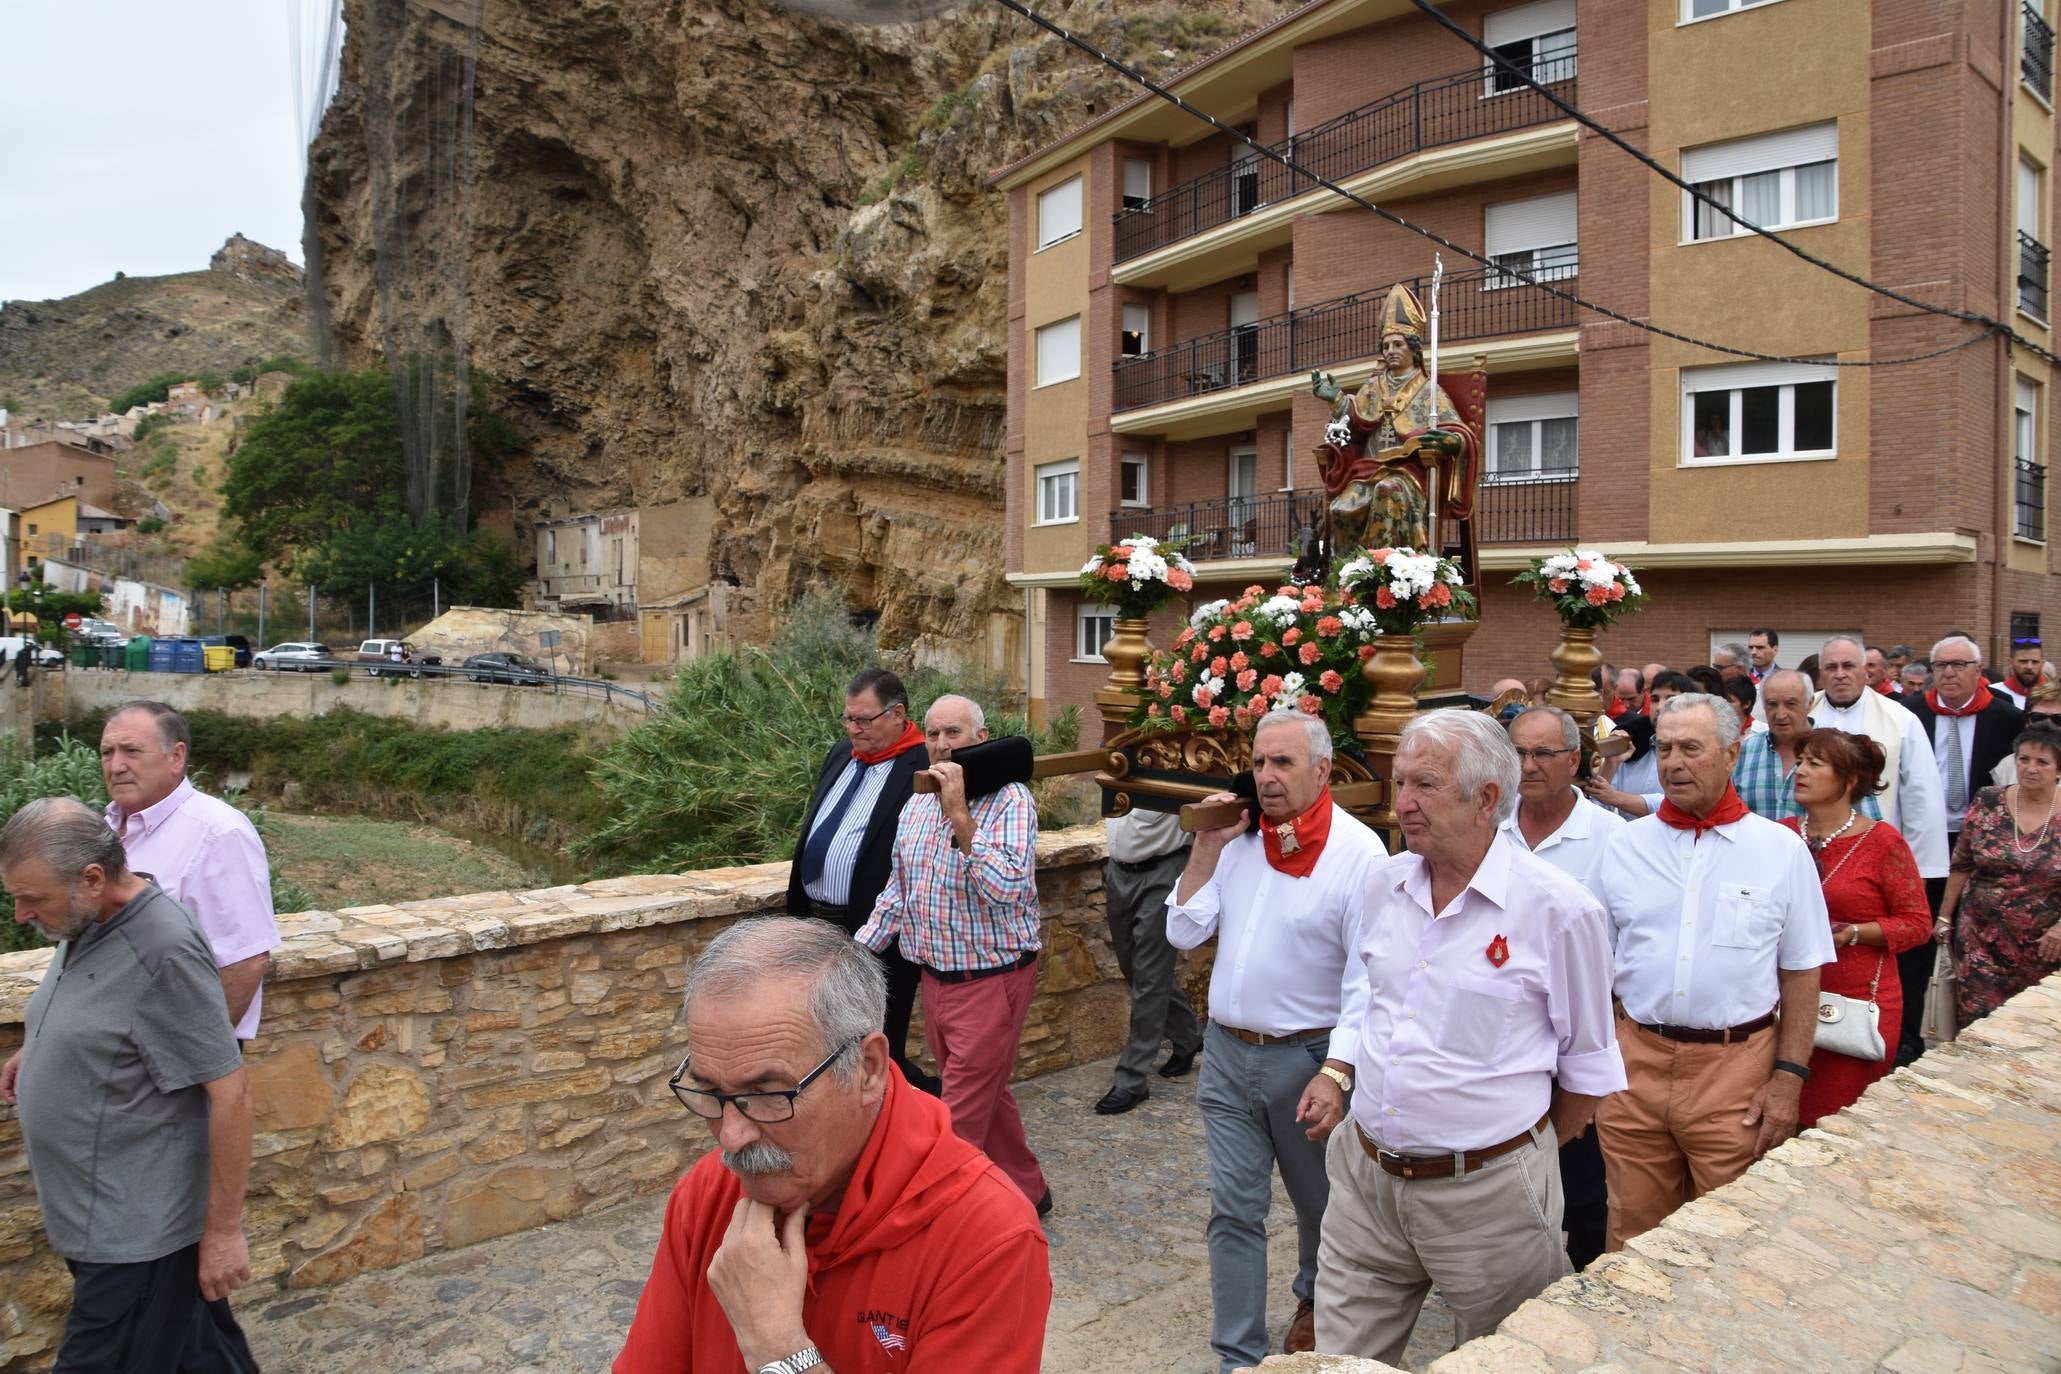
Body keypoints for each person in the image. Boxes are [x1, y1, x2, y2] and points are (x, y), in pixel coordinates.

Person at [1315, 710, 1621, 1363]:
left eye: (1424, 785)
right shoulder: (1383, 882)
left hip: (1488, 1198)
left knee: (1504, 1358)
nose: (1402, 802)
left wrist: (1512, 1154)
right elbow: (1373, 1002)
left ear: (1485, 799)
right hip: (1366, 1180)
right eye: (1400, 782)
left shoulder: (1560, 911)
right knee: (1340, 1361)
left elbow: (1588, 1070)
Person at [616, 917, 1051, 1374]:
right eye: (711, 1092)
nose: (731, 1137)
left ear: (868, 1068)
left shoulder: (986, 1241)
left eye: (769, 1094)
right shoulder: (707, 1193)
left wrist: (779, 1350)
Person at [0, 798, 258, 1372]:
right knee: (199, 1353)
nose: (20, 914)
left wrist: (223, 1233)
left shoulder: (163, 949)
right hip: (98, 1215)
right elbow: (103, 1008)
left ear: (93, 878)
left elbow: (232, 1093)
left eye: (32, 898)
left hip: (138, 1235)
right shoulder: (87, 918)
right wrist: (38, 1045)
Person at [1168, 711, 1389, 1372]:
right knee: (1233, 1211)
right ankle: (1237, 1355)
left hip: (1307, 1058)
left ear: (1322, 770)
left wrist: (1338, 1072)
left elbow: (1368, 982)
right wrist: (1206, 848)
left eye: (1283, 763)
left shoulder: (1359, 854)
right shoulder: (1237, 840)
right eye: (1259, 762)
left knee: (1322, 1207)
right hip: (1226, 1054)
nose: (1266, 776)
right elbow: (1184, 931)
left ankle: (1314, 1302)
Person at [1592, 694, 1836, 1249]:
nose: (1674, 763)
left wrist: (1788, 1079)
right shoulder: (1624, 845)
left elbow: (1802, 973)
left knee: (1730, 1243)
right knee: (1631, 1239)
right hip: (1635, 1065)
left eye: (1691, 748)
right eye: (1664, 749)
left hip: (1736, 1074)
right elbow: (1595, 964)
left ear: (1731, 755)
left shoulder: (1780, 851)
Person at [854, 694, 1048, 1211]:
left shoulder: (1010, 800)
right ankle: (1028, 1190)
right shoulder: (918, 801)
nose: (941, 745)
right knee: (988, 1092)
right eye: (934, 734)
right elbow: (899, 892)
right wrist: (852, 957)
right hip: (935, 979)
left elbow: (1007, 889)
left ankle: (932, 1219)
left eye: (954, 733)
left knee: (956, 1117)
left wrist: (960, 813)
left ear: (981, 738)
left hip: (990, 979)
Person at [1498, 705, 1628, 1269]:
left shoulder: (1612, 837)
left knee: (1580, 1185)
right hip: (1503, 1037)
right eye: (1517, 753)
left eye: (1542, 754)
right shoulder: (1489, 828)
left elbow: (1625, 943)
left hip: (1575, 1037)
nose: (1527, 765)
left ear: (1575, 760)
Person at [786, 667, 938, 1094]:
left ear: (898, 714)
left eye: (864, 720)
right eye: (849, 719)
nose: (853, 729)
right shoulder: (842, 754)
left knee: (877, 1037)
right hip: (816, 924)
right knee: (821, 1032)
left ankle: (894, 1111)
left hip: (878, 930)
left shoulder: (923, 766)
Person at [101, 702, 279, 1040]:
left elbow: (245, 960)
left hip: (172, 1051)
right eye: (107, 752)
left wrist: (193, 1055)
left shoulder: (219, 833)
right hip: (107, 1042)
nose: (116, 765)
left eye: (131, 751)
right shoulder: (103, 829)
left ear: (176, 757)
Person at [1780, 729, 1931, 1125]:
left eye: (1815, 764)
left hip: (1854, 1010)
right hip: (1782, 1004)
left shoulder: (1882, 843)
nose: (1800, 770)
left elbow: (1917, 924)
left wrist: (1854, 933)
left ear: (1848, 781)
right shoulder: (1780, 834)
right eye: (1801, 761)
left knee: (1835, 1124)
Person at [1901, 635, 2024, 1054]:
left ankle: (1975, 1032)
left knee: (1973, 937)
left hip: (1980, 843)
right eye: (1941, 666)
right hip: (1925, 838)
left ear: (1978, 671)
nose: (1949, 673)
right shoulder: (1911, 713)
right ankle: (1912, 1035)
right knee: (1920, 934)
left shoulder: (2006, 718)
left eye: (1958, 665)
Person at [1939, 726, 2061, 1027]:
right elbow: (1962, 863)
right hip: (1979, 936)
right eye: (2024, 759)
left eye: (2042, 762)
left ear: (2059, 770)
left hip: (2043, 945)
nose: (2030, 768)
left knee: (2032, 1025)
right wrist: (1944, 916)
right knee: (1976, 1024)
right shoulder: (1988, 800)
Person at [1810, 636, 1949, 885]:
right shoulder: (1803, 712)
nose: (1840, 674)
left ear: (1865, 670)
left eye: (1848, 665)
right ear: (1821, 673)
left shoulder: (1901, 719)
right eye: (1831, 667)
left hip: (1875, 851)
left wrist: (1920, 868)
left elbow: (1921, 796)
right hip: (1810, 849)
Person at [1094, 807, 1203, 1114]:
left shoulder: (1171, 774)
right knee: (1134, 969)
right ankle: (1188, 1035)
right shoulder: (1117, 773)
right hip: (1119, 871)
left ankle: (1131, 1079)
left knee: (1150, 976)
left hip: (1163, 870)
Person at [1730, 670, 1877, 824]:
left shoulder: (1839, 751)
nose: (1780, 714)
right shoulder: (1745, 751)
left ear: (1810, 703)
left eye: (1790, 704)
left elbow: (1869, 825)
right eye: (1772, 704)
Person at [1992, 684, 2061, 783]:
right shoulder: (2007, 766)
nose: (2047, 725)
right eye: (2038, 717)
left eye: (2058, 719)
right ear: (2026, 721)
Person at [1997, 637, 2047, 710]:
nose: (2029, 667)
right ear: (2010, 662)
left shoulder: (2056, 696)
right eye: (2023, 661)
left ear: (2042, 664)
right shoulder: (1995, 693)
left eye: (2035, 662)